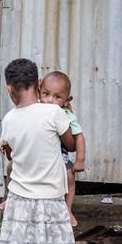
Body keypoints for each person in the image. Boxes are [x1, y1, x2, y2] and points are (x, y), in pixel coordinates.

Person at [0, 58, 79, 244]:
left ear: (9, 89)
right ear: (38, 83)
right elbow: (71, 146)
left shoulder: (9, 119)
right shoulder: (54, 113)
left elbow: (11, 153)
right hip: (49, 200)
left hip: (19, 201)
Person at [39, 71, 86, 227]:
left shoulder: (66, 115)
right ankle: (10, 199)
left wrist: (80, 160)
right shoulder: (36, 110)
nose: (50, 100)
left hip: (60, 159)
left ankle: (68, 209)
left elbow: (79, 136)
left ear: (67, 100)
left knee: (69, 177)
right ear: (39, 92)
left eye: (57, 97)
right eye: (46, 94)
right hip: (39, 159)